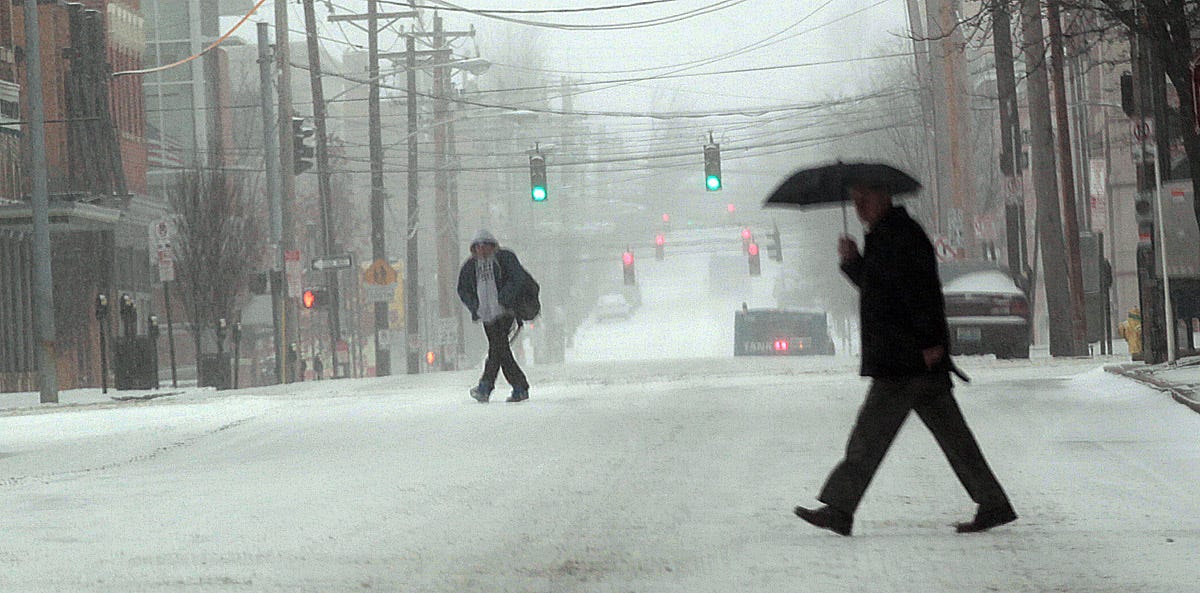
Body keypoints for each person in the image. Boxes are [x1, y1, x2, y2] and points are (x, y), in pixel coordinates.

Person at [793, 183, 1016, 536]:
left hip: (906, 358)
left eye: (864, 198)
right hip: (909, 357)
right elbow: (880, 288)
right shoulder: (885, 235)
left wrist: (930, 343)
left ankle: (839, 508)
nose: (859, 207)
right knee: (954, 437)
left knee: (868, 437)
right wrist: (853, 262)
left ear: (883, 197)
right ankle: (994, 503)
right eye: (855, 201)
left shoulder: (901, 236)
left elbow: (921, 293)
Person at [457, 229, 531, 403]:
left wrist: (505, 298)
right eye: (478, 247)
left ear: (493, 246)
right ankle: (519, 387)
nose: (482, 250)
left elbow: (517, 278)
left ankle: (486, 386)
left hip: (506, 311)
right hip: (486, 314)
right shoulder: (470, 267)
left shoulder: (504, 259)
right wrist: (475, 306)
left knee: (497, 347)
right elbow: (463, 289)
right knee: (499, 349)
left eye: (485, 246)